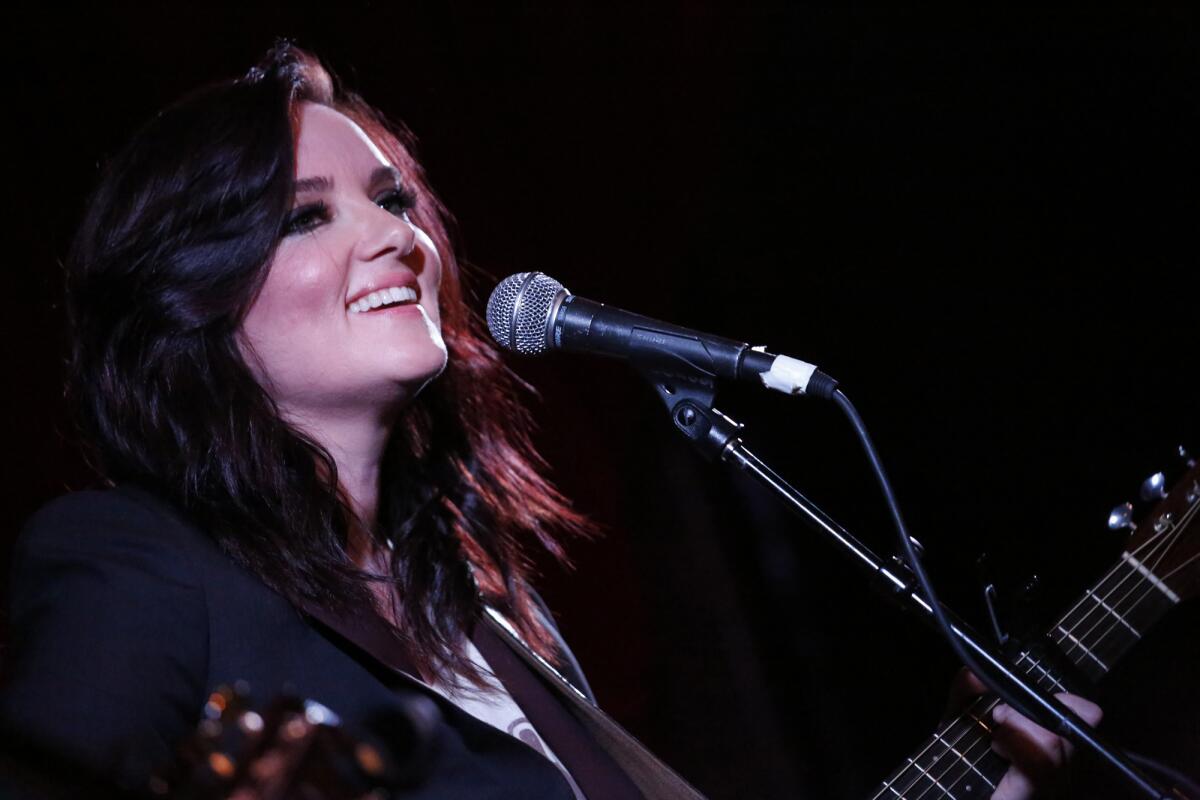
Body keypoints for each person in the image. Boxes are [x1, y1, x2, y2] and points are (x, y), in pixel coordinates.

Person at [0, 42, 1099, 799]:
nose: (397, 239)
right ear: (191, 298)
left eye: (391, 200)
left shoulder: (492, 619)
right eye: (303, 216)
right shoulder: (136, 563)